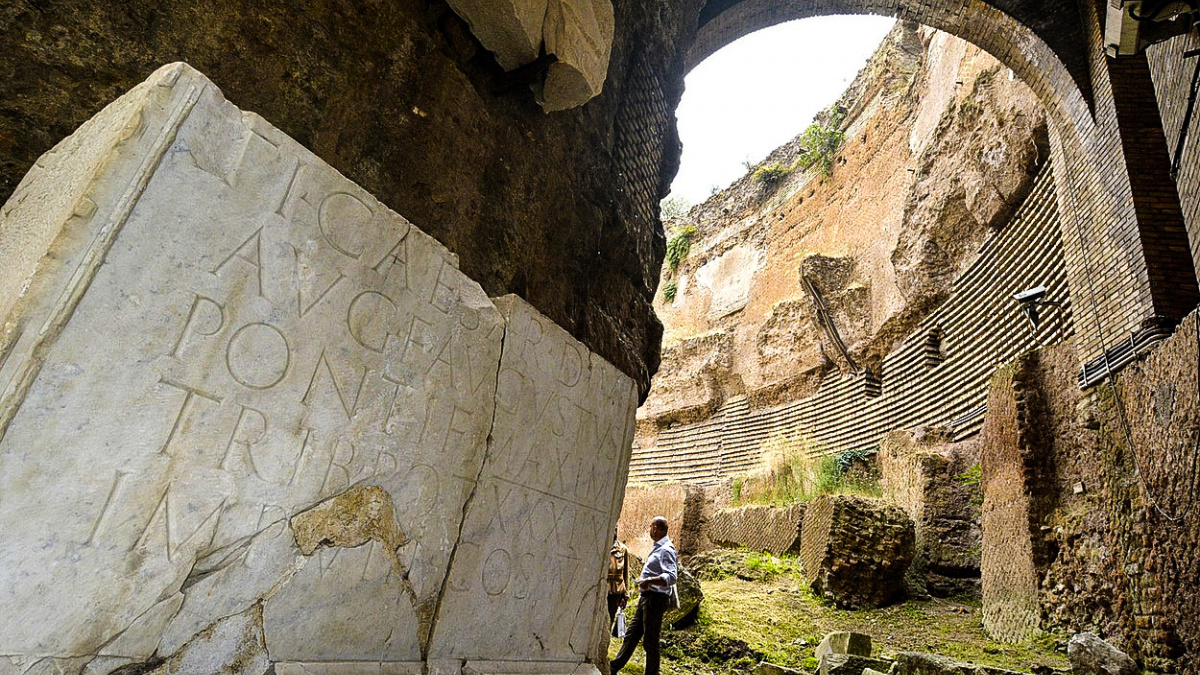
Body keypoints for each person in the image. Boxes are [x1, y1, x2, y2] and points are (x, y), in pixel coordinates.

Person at [610, 516, 677, 675]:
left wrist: (650, 581)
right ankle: (613, 667)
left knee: (650, 642)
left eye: (651, 527)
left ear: (656, 529)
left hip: (655, 599)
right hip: (647, 598)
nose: (649, 530)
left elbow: (672, 576)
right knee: (632, 634)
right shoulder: (659, 547)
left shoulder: (667, 549)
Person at [607, 529, 630, 623]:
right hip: (601, 590)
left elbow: (626, 573)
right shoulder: (599, 546)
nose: (614, 531)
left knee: (610, 619)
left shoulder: (623, 550)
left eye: (616, 529)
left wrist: (626, 596)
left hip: (616, 592)